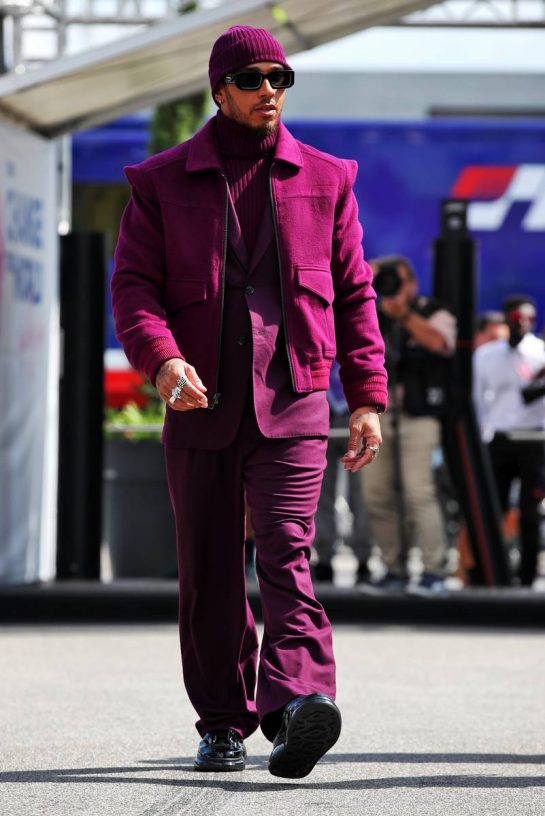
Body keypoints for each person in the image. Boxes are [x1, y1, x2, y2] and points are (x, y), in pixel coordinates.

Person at [112, 25, 387, 779]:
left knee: (287, 549)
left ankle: (299, 701)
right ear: (220, 90)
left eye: (281, 78)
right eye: (255, 77)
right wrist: (162, 361)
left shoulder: (327, 178)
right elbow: (133, 290)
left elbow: (356, 294)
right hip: (199, 408)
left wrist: (365, 396)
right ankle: (224, 722)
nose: (271, 89)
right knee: (208, 570)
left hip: (295, 401)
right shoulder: (161, 181)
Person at [360, 255, 456, 592]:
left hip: (420, 416)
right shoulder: (368, 311)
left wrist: (404, 315)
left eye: (395, 280)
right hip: (378, 416)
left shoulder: (434, 310)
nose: (389, 288)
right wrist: (364, 288)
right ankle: (392, 570)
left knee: (419, 492)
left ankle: (434, 571)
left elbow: (440, 343)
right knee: (376, 494)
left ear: (412, 284)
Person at [473, 294, 545, 586]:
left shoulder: (541, 352)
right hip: (500, 439)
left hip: (534, 440)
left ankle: (526, 577)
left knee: (531, 512)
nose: (523, 325)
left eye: (528, 319)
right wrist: (482, 435)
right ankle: (492, 573)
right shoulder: (487, 355)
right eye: (517, 319)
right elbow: (479, 399)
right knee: (493, 508)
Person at [312, 361, 374, 585]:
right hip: (321, 408)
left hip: (356, 409)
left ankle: (364, 558)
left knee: (361, 494)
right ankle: (324, 557)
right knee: (320, 491)